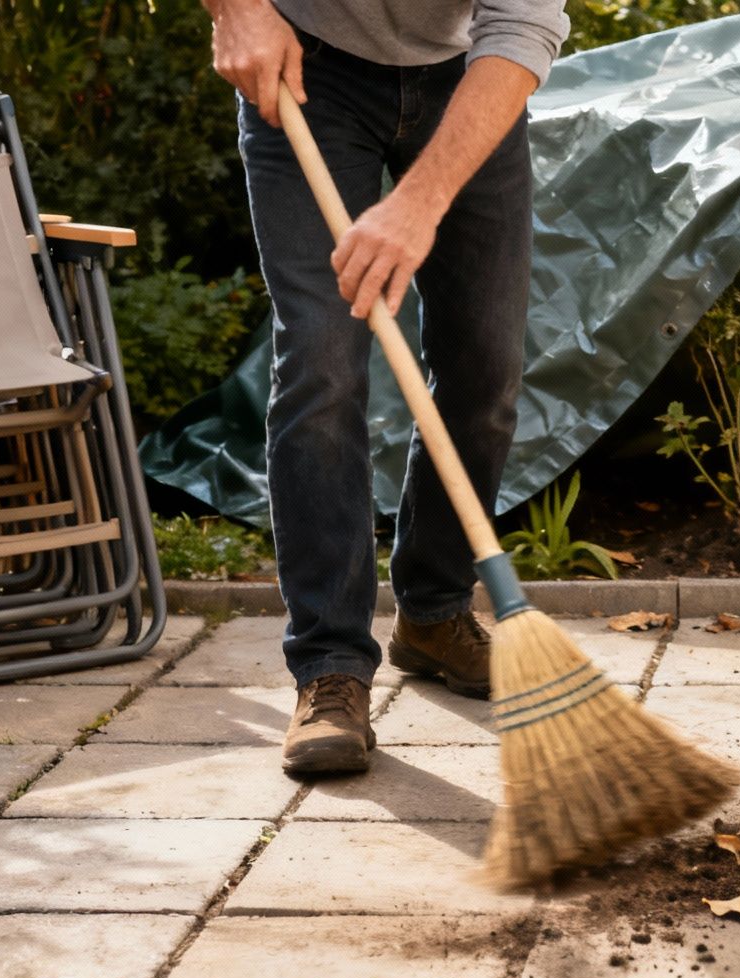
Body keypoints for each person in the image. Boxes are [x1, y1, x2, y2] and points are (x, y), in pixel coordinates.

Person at [203, 0, 568, 775]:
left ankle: (434, 615)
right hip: (308, 67)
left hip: (465, 77)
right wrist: (236, 9)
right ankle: (330, 665)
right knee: (322, 360)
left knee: (486, 365)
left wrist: (420, 202)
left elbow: (522, 26)